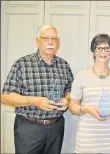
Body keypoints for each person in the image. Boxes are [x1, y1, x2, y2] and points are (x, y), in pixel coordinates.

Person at [1, 25, 74, 154]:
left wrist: (66, 99)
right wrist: (35, 101)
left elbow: (70, 90)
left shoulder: (64, 65)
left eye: (54, 39)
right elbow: (6, 96)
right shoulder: (22, 64)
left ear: (58, 42)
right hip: (29, 128)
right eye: (46, 38)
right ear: (37, 41)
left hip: (56, 127)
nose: (51, 42)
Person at [69, 33, 110, 153]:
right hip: (88, 138)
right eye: (99, 48)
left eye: (107, 48)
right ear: (93, 52)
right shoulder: (81, 76)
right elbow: (72, 106)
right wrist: (86, 109)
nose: (103, 52)